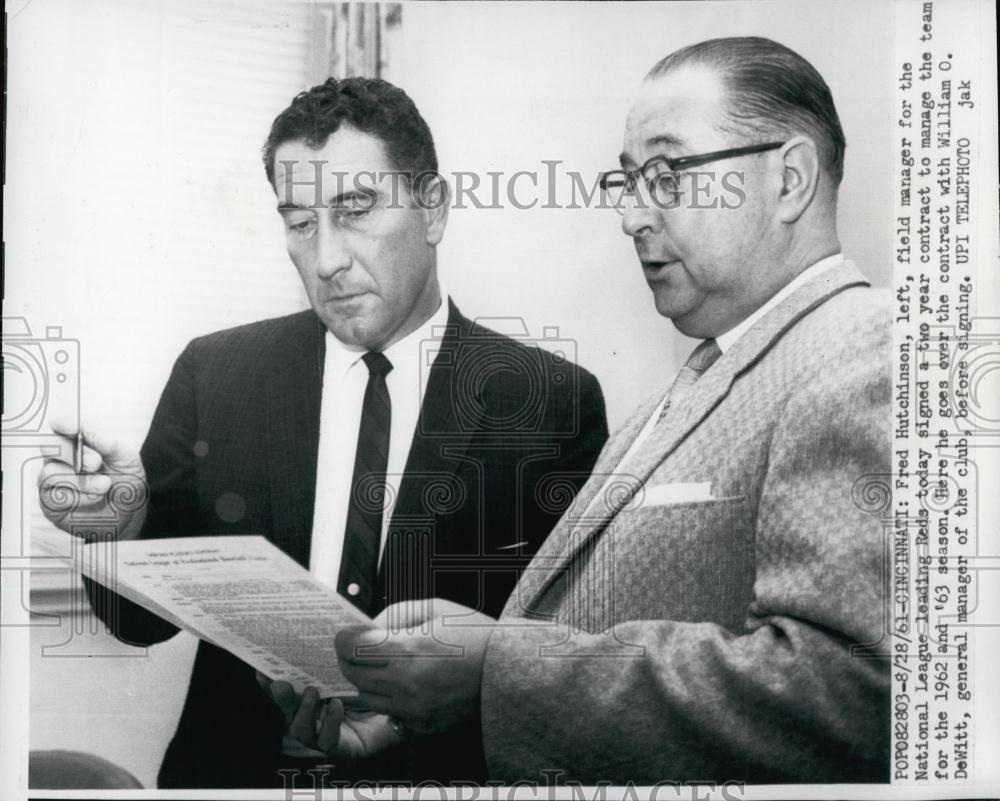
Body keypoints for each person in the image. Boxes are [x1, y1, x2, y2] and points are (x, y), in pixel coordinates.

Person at [334, 37, 892, 784]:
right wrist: (431, 715)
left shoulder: (866, 346)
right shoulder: (690, 383)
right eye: (626, 182)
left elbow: (852, 691)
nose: (631, 215)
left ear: (789, 179)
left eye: (665, 176)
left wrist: (496, 673)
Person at [37, 77, 608, 789]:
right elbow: (139, 623)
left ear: (433, 209)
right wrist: (114, 531)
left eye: (355, 209)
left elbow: (559, 662)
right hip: (236, 775)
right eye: (300, 222)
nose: (327, 259)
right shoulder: (215, 372)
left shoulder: (550, 400)